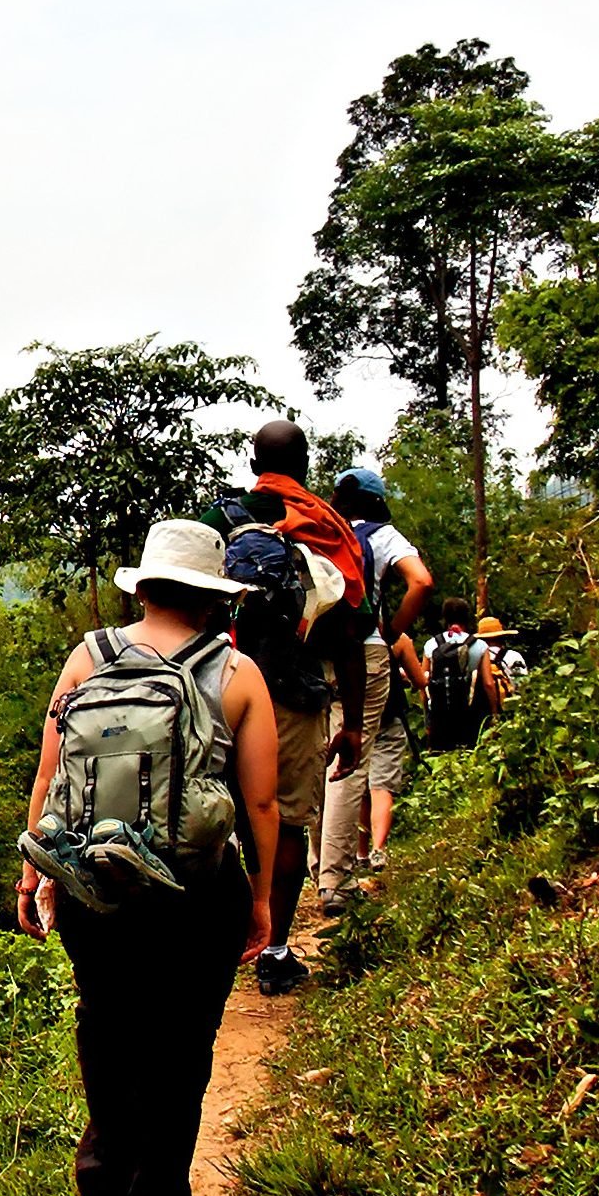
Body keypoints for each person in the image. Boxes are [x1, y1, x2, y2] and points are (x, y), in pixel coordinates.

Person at [14, 517, 280, 1196]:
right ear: (212, 595)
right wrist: (261, 901)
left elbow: (49, 775)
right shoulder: (238, 673)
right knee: (179, 1053)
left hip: (95, 882)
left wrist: (36, 871)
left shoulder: (87, 657)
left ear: (145, 585)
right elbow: (259, 801)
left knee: (104, 1020)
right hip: (196, 892)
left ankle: (105, 1180)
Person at [214, 419, 366, 994]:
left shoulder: (223, 519)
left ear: (254, 464)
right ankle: (274, 951)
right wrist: (351, 724)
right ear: (306, 464)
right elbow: (351, 635)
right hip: (294, 697)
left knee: (221, 817)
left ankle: (222, 939)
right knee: (288, 820)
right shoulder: (328, 531)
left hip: (221, 690)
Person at [317, 467, 432, 913]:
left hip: (316, 653)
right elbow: (420, 581)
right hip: (364, 651)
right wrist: (393, 631)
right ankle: (336, 880)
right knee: (352, 761)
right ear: (377, 500)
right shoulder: (383, 537)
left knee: (319, 753)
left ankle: (314, 863)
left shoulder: (323, 534)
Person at [423, 600, 494, 754]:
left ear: (445, 617)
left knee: (439, 756)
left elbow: (424, 682)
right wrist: (494, 713)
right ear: (467, 617)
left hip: (439, 715)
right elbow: (488, 683)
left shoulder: (431, 645)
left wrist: (427, 716)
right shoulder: (480, 645)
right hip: (470, 714)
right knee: (469, 754)